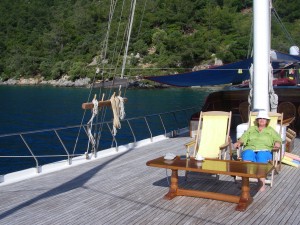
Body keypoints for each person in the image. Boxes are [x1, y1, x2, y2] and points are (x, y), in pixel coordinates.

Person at [233, 110, 281, 192]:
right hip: (250, 148)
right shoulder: (251, 129)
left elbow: (277, 139)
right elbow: (244, 137)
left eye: (264, 118)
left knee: (261, 156)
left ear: (267, 121)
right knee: (247, 154)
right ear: (257, 120)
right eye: (260, 118)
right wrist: (239, 142)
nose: (262, 120)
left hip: (264, 150)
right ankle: (245, 183)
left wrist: (277, 143)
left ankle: (260, 183)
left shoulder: (270, 130)